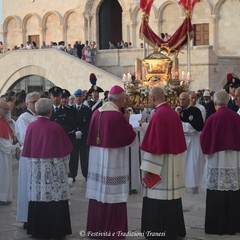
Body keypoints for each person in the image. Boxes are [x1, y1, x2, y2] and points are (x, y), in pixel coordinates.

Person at [86, 85, 136, 239]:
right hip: (113, 160)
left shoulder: (96, 113)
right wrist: (128, 123)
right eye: (124, 99)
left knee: (99, 191)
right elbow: (129, 137)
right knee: (112, 192)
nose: (125, 102)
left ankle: (95, 228)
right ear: (120, 100)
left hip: (97, 158)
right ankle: (114, 229)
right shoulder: (117, 116)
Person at [21, 98, 72, 239]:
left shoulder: (31, 127)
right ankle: (57, 229)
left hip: (37, 171)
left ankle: (37, 229)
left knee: (39, 194)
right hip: (54, 171)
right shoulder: (55, 127)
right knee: (54, 195)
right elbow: (67, 150)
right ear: (50, 111)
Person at [140, 87, 187, 240]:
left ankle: (156, 231)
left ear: (153, 98)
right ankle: (174, 230)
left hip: (159, 164)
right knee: (172, 198)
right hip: (173, 162)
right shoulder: (173, 114)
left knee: (157, 195)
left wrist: (148, 171)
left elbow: (153, 144)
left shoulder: (158, 116)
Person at [200, 90, 240, 235]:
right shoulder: (236, 117)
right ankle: (233, 226)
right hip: (234, 159)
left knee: (216, 193)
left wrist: (206, 151)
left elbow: (204, 140)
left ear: (215, 102)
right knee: (232, 193)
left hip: (216, 159)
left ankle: (215, 227)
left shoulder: (212, 118)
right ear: (228, 101)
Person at [15, 92, 40, 229]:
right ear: (27, 104)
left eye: (38, 101)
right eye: (33, 102)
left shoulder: (37, 117)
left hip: (38, 156)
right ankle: (27, 217)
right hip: (28, 156)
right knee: (27, 186)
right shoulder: (24, 118)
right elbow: (26, 138)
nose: (36, 104)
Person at [176, 92, 204, 194]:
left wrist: (181, 124)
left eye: (183, 99)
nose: (181, 102)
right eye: (180, 99)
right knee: (181, 163)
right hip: (181, 140)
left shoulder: (195, 111)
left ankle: (194, 185)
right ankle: (181, 184)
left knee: (193, 163)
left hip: (193, 141)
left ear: (189, 100)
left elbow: (197, 126)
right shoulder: (176, 111)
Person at [70, 89, 92, 181]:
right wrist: (75, 131)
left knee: (85, 157)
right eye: (76, 97)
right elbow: (70, 122)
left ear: (82, 97)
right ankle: (72, 175)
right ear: (74, 98)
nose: (78, 98)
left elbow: (89, 123)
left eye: (80, 97)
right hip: (74, 137)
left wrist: (82, 131)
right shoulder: (70, 109)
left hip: (83, 137)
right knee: (73, 157)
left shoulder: (87, 110)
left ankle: (86, 175)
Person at [0, 99, 18, 205]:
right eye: (5, 109)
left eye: (8, 110)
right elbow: (3, 143)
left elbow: (13, 133)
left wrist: (10, 120)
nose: (7, 112)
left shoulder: (6, 122)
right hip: (2, 153)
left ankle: (5, 197)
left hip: (6, 154)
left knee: (6, 176)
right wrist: (14, 148)